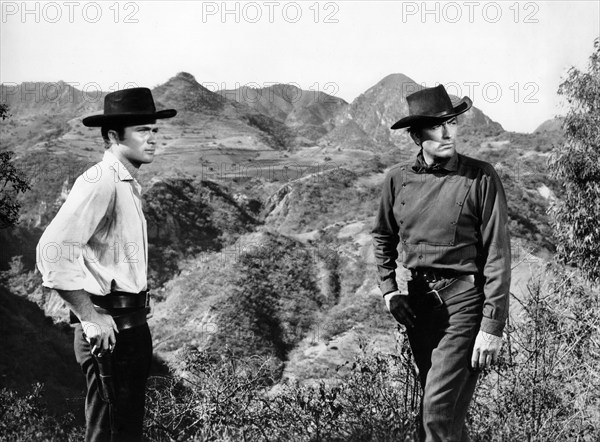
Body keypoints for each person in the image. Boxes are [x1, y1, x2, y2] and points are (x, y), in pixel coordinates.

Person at [371, 84, 511, 441]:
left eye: (451, 122)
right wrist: (390, 292)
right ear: (417, 134)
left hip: (464, 301)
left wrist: (492, 326)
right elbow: (383, 237)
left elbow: (497, 253)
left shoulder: (481, 177)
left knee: (436, 412)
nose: (448, 132)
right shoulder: (398, 179)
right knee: (440, 417)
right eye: (436, 126)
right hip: (419, 305)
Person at [36, 87, 176, 441]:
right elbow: (52, 249)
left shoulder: (125, 183)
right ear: (114, 136)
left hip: (129, 327)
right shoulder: (101, 181)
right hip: (108, 331)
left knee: (125, 431)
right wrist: (89, 316)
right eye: (143, 131)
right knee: (108, 433)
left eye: (154, 130)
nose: (153, 139)